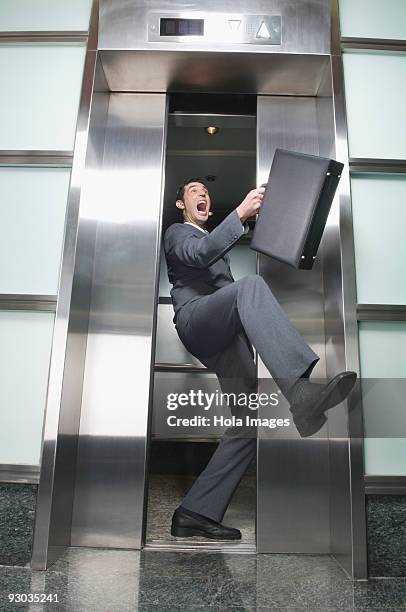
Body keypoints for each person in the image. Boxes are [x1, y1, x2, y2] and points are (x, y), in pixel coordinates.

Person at [163, 177, 356, 540]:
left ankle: (194, 512)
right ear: (180, 205)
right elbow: (200, 255)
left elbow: (223, 280)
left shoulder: (210, 236)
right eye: (193, 191)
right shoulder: (178, 232)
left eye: (205, 190)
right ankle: (301, 395)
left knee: (248, 421)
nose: (202, 194)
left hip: (223, 335)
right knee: (250, 285)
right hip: (195, 319)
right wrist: (241, 212)